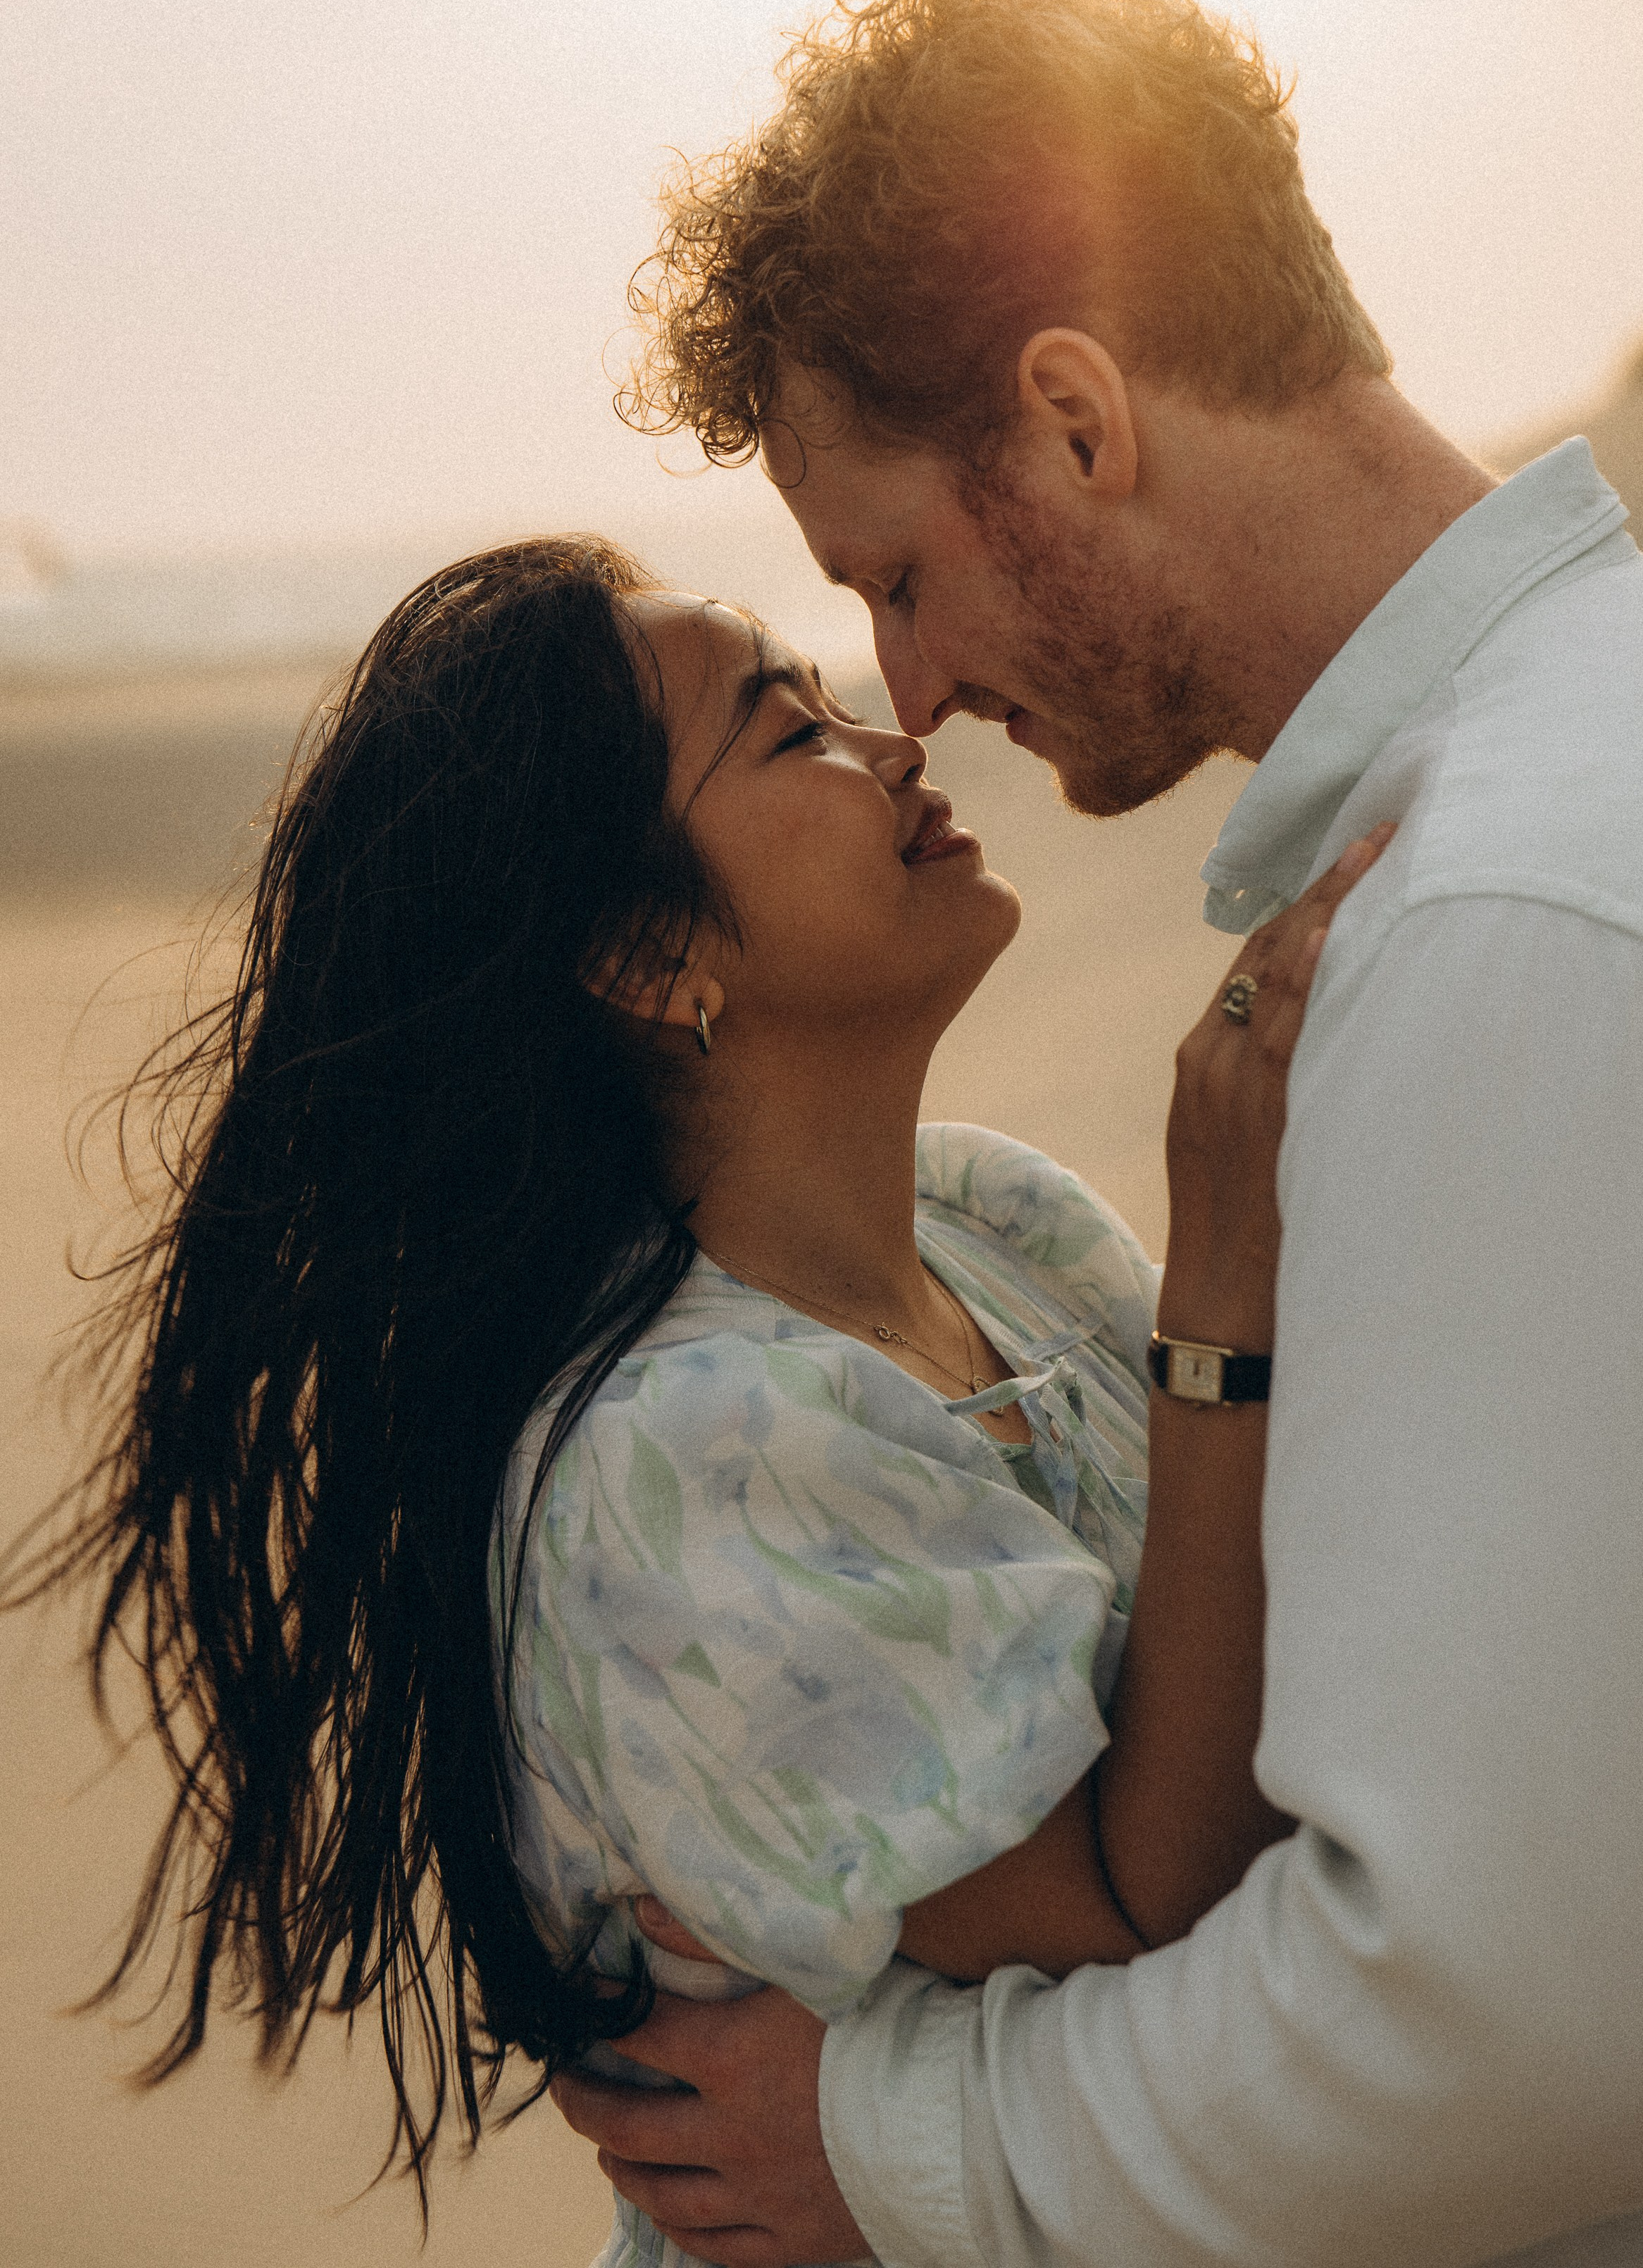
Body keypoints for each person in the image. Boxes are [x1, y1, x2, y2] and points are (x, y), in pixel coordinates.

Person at [556, 0, 1643, 2264]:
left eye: (899, 577)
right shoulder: (1562, 785)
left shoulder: (1494, 920)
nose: (913, 692)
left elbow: (1499, 2011)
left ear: (1073, 417)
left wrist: (896, 2148)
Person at [2, 533, 1379, 2261]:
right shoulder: (685, 1457)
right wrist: (1228, 1289)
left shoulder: (989, 1214)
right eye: (792, 730)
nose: (895, 740)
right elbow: (1150, 1906)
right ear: (649, 956)